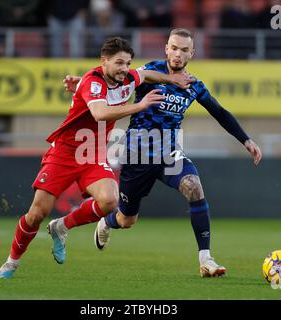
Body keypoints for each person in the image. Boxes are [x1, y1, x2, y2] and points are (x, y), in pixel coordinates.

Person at [64, 29, 262, 277]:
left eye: (184, 50)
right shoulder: (149, 73)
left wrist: (246, 139)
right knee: (127, 220)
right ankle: (108, 221)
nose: (178, 54)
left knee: (193, 186)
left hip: (169, 155)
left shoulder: (194, 86)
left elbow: (219, 112)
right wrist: (81, 84)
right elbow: (112, 79)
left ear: (192, 53)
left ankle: (206, 259)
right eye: (174, 48)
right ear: (166, 48)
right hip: (137, 156)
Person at [0, 37, 192, 279]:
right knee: (37, 213)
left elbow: (147, 74)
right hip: (65, 152)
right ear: (104, 61)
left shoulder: (128, 77)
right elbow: (99, 113)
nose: (124, 68)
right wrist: (140, 106)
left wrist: (170, 78)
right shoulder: (93, 81)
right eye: (119, 63)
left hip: (93, 152)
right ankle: (11, 263)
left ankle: (61, 226)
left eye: (127, 63)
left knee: (110, 201)